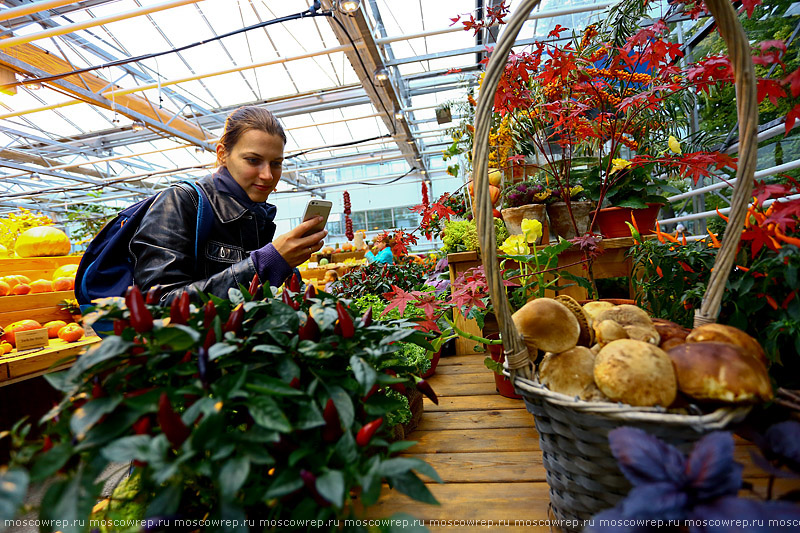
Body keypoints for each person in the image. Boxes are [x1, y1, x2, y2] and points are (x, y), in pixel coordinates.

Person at [131, 106, 327, 303]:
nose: (268, 175)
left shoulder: (259, 215)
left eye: (276, 163)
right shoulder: (180, 202)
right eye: (253, 160)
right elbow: (159, 303)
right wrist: (264, 263)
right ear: (222, 154)